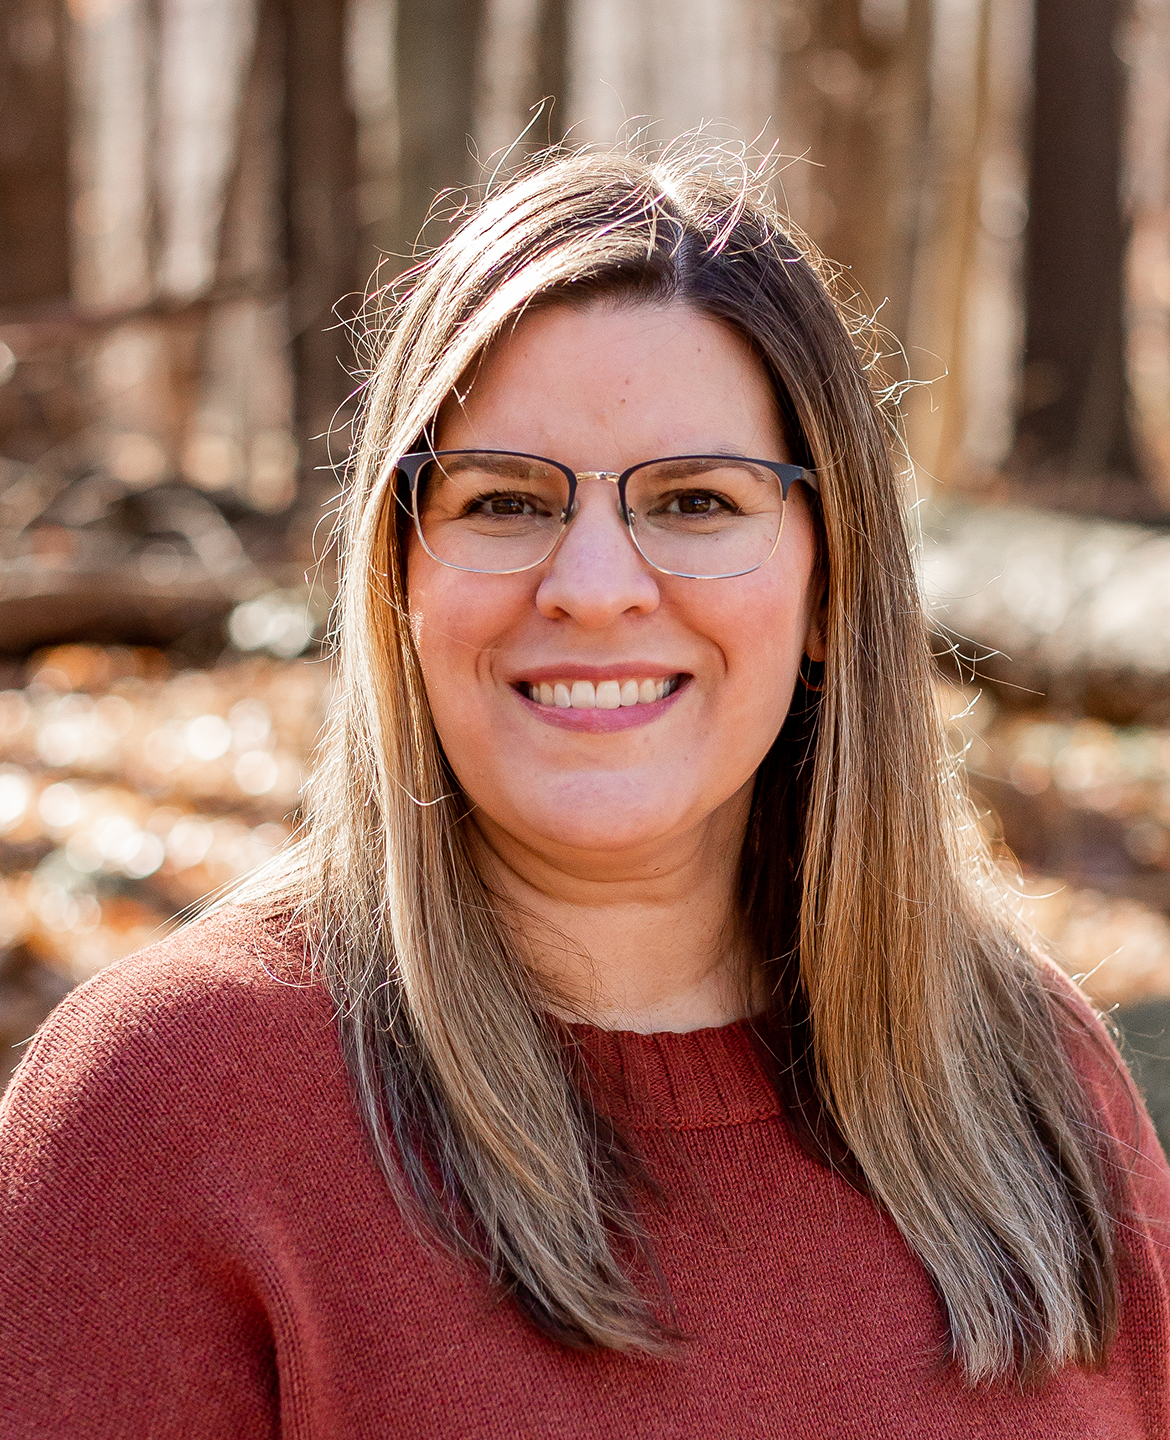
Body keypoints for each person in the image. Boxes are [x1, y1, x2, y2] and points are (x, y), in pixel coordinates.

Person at [2, 146, 1168, 1439]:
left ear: (831, 581)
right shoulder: (168, 1107)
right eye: (504, 500)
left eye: (695, 500)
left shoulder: (1029, 1071)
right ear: (398, 578)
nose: (595, 584)